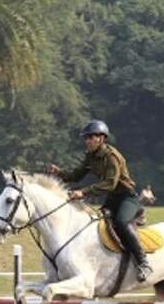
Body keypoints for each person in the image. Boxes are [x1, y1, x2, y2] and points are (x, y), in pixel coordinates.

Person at [47, 119, 152, 282]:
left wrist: (83, 192)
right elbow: (76, 175)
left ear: (101, 138)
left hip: (127, 198)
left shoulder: (112, 157)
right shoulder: (91, 156)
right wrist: (59, 172)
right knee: (95, 222)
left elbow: (110, 184)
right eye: (86, 138)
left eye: (90, 137)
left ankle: (143, 263)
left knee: (122, 222)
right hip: (112, 198)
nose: (87, 141)